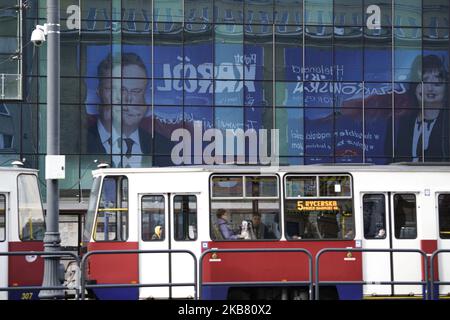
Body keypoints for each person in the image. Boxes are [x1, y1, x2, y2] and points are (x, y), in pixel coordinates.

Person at [87, 52, 154, 167]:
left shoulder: (162, 145)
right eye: (117, 90)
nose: (126, 98)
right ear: (99, 91)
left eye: (136, 91)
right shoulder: (80, 143)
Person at [390, 55, 449, 161]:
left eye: (437, 84)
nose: (430, 88)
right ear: (415, 86)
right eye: (424, 82)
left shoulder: (447, 122)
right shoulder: (401, 122)